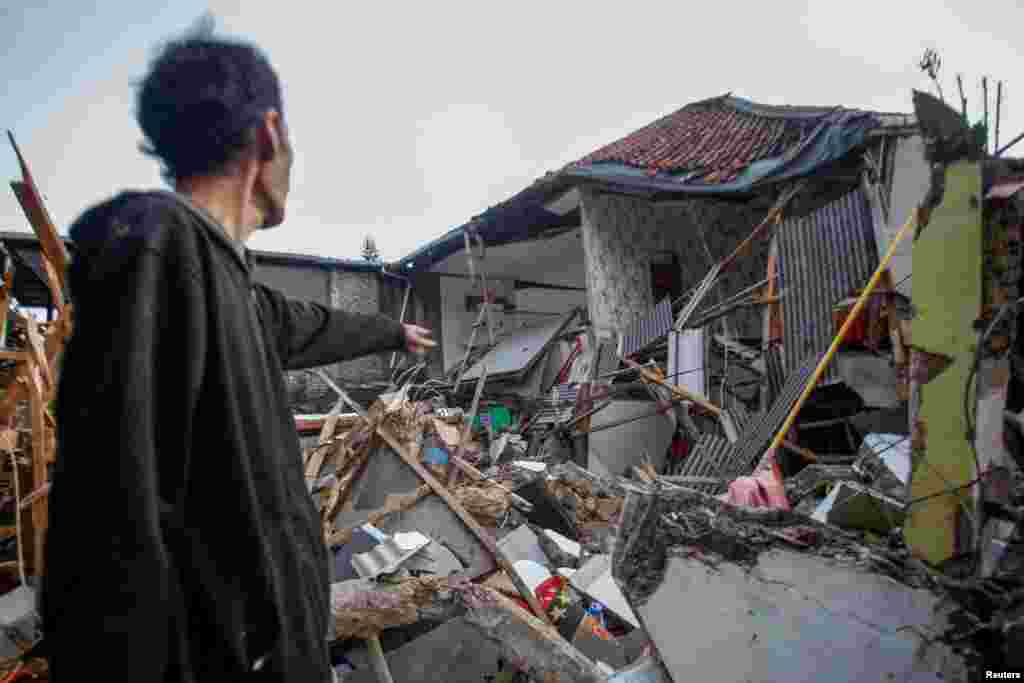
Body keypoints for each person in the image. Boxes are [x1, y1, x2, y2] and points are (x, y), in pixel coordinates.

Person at [41, 26, 435, 682]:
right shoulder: (157, 248)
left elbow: (314, 326)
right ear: (268, 134)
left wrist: (394, 334)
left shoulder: (232, 290)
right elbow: (106, 530)